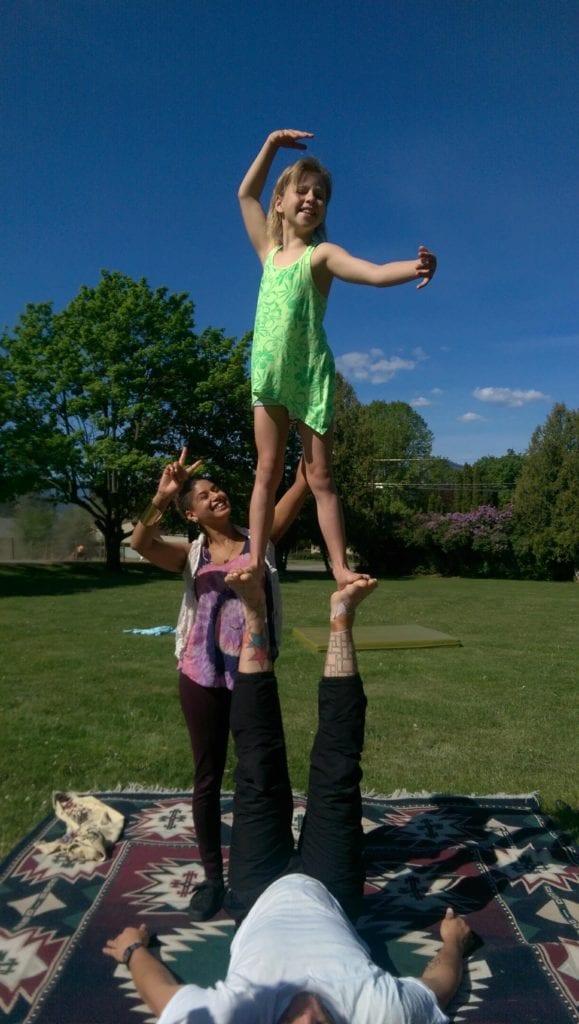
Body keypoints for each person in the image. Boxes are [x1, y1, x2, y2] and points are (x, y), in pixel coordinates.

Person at [104, 576, 472, 1023]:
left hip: (258, 892)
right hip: (333, 892)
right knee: (338, 775)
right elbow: (437, 990)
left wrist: (133, 951)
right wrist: (454, 941)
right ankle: (342, 617)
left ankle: (254, 612)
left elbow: (167, 998)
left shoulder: (234, 1016)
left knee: (258, 770)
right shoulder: (380, 1013)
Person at [238, 128, 437, 590]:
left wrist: (417, 267)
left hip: (309, 378)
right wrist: (270, 146)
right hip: (267, 376)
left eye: (321, 195)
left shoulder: (321, 255)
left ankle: (340, 567)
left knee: (319, 476)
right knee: (265, 470)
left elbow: (371, 273)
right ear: (281, 202)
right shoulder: (268, 255)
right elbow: (246, 193)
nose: (312, 199)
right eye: (302, 191)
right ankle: (253, 559)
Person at [130, 448, 310, 922]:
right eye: (205, 496)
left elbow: (298, 490)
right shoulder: (190, 554)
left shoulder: (260, 539)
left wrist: (308, 466)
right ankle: (213, 878)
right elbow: (140, 541)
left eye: (218, 490)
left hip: (252, 677)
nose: (217, 496)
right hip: (201, 675)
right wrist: (162, 495)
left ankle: (275, 860)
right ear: (191, 513)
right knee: (207, 778)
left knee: (263, 770)